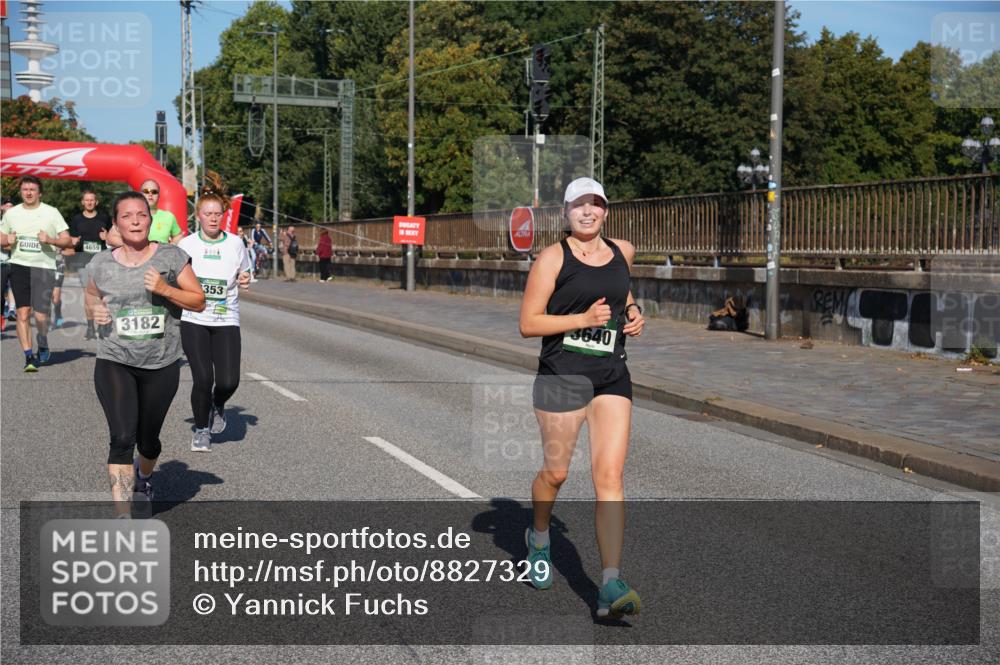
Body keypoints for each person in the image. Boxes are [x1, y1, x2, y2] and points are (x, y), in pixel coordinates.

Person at [518, 177, 645, 619]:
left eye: (596, 204)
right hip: (561, 376)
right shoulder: (552, 258)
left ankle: (609, 582)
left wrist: (633, 311)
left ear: (606, 210)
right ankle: (538, 537)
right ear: (565, 212)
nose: (588, 212)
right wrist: (581, 319)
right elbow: (529, 324)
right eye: (579, 205)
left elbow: (621, 288)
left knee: (609, 475)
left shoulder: (623, 250)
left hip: (612, 377)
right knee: (556, 474)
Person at [86, 191, 205, 516]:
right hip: (114, 359)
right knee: (122, 438)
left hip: (161, 362)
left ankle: (145, 475)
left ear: (151, 220)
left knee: (148, 441)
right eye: (127, 215)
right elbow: (91, 295)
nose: (135, 220)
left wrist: (165, 289)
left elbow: (198, 300)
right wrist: (94, 310)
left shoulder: (170, 257)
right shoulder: (100, 262)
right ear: (116, 223)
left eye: (141, 214)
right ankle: (124, 518)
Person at [178, 190, 251, 452]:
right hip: (194, 317)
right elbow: (174, 276)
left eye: (217, 214)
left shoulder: (235, 243)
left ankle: (217, 403)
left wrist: (245, 279)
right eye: (207, 214)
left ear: (224, 215)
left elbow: (246, 273)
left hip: (226, 318)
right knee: (202, 377)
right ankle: (201, 430)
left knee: (229, 381)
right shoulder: (186, 245)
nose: (213, 218)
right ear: (198, 216)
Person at [0, 176, 73, 371]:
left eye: (32, 189)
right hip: (18, 265)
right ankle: (28, 356)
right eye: (25, 189)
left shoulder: (51, 212)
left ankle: (42, 341)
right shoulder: (12, 213)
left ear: (39, 192)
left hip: (44, 267)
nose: (28, 193)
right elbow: (1, 236)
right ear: (21, 192)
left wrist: (50, 239)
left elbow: (67, 240)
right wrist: (7, 238)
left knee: (41, 315)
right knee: (23, 313)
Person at [67, 189, 113, 339]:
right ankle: (90, 327)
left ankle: (102, 324)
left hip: (102, 261)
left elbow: (114, 237)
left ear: (96, 202)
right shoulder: (76, 219)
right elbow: (71, 242)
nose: (89, 202)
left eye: (92, 200)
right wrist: (74, 243)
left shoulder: (104, 218)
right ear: (82, 202)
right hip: (83, 261)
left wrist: (107, 238)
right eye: (86, 200)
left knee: (102, 294)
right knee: (88, 294)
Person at [141, 179, 184, 244]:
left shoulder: (169, 216)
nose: (150, 194)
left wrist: (172, 246)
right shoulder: (132, 216)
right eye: (146, 191)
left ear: (159, 196)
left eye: (154, 192)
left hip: (163, 253)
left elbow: (178, 236)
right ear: (140, 194)